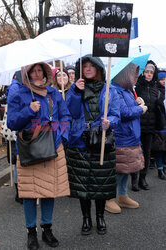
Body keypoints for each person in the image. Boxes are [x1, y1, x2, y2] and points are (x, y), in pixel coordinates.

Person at [7, 62, 71, 250]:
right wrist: (29, 110)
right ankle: (31, 232)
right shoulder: (18, 93)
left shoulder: (53, 93)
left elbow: (65, 118)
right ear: (26, 73)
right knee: (29, 193)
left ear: (45, 72)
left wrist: (59, 136)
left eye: (39, 70)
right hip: (30, 149)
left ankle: (47, 229)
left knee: (49, 191)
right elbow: (12, 122)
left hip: (53, 147)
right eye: (32, 70)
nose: (36, 73)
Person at [65, 54, 120, 235]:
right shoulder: (75, 89)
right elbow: (70, 113)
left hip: (102, 141)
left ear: (98, 69)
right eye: (84, 66)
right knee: (83, 185)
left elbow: (116, 115)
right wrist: (75, 92)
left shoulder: (109, 89)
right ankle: (86, 219)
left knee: (101, 184)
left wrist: (109, 122)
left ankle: (100, 217)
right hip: (80, 142)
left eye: (91, 66)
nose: (87, 68)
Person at [105, 63, 147, 214]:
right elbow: (122, 112)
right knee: (116, 169)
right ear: (124, 75)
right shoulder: (113, 89)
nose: (136, 78)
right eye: (133, 74)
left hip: (130, 136)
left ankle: (122, 196)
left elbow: (128, 108)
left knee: (125, 169)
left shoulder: (127, 90)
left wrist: (137, 102)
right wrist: (140, 109)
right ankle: (108, 199)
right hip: (121, 136)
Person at [134, 60, 160, 190]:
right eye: (147, 72)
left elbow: (157, 108)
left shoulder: (156, 89)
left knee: (147, 153)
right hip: (137, 125)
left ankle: (142, 178)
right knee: (135, 152)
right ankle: (134, 179)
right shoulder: (137, 86)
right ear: (142, 73)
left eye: (151, 72)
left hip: (150, 127)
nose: (149, 74)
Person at [151, 71, 166, 179]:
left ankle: (164, 167)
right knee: (159, 148)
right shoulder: (156, 91)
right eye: (162, 79)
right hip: (160, 124)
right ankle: (160, 168)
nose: (164, 81)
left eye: (165, 79)